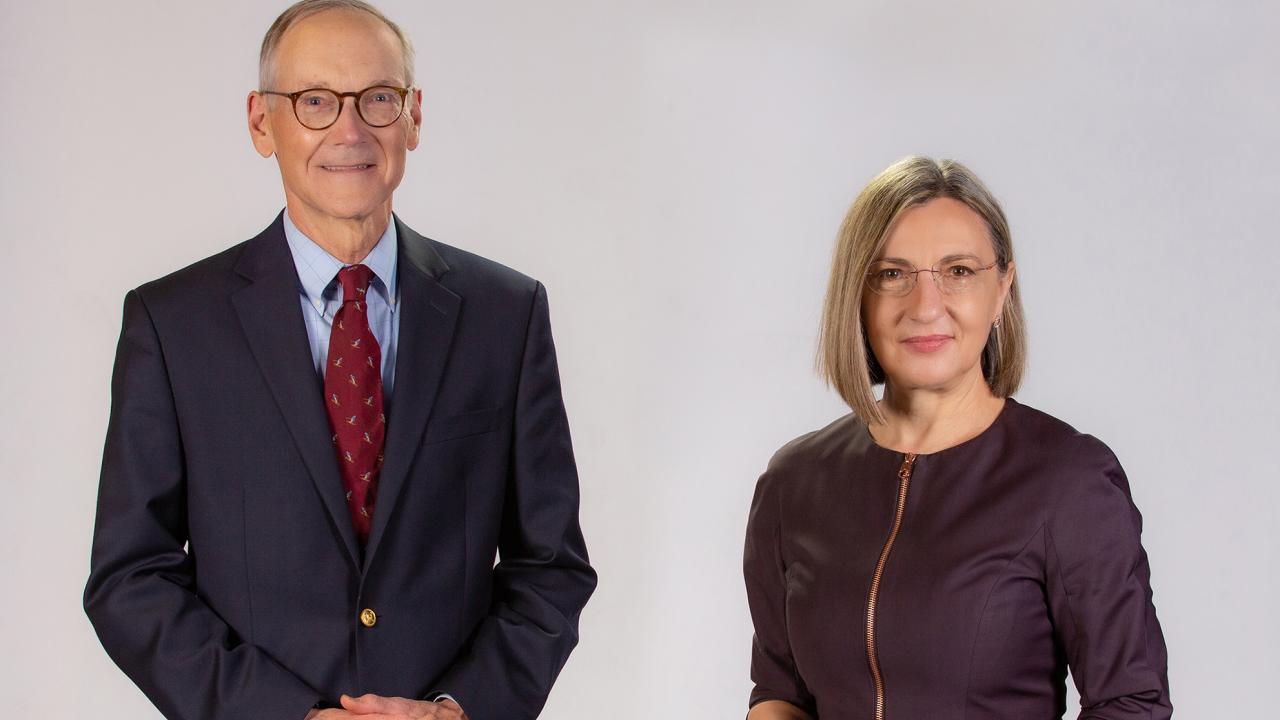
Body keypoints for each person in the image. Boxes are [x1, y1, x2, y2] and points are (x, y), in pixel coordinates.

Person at [83, 2, 595, 719]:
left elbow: (551, 567)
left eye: (377, 99)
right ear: (264, 123)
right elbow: (130, 578)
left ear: (413, 117)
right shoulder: (172, 325)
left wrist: (459, 709)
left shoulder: (504, 314)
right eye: (315, 102)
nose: (349, 131)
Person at [743, 156, 1171, 719]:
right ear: (858, 295)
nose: (925, 306)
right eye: (891, 274)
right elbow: (780, 694)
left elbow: (1129, 702)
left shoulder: (1068, 481)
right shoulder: (793, 483)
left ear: (1002, 291)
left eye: (959, 271)